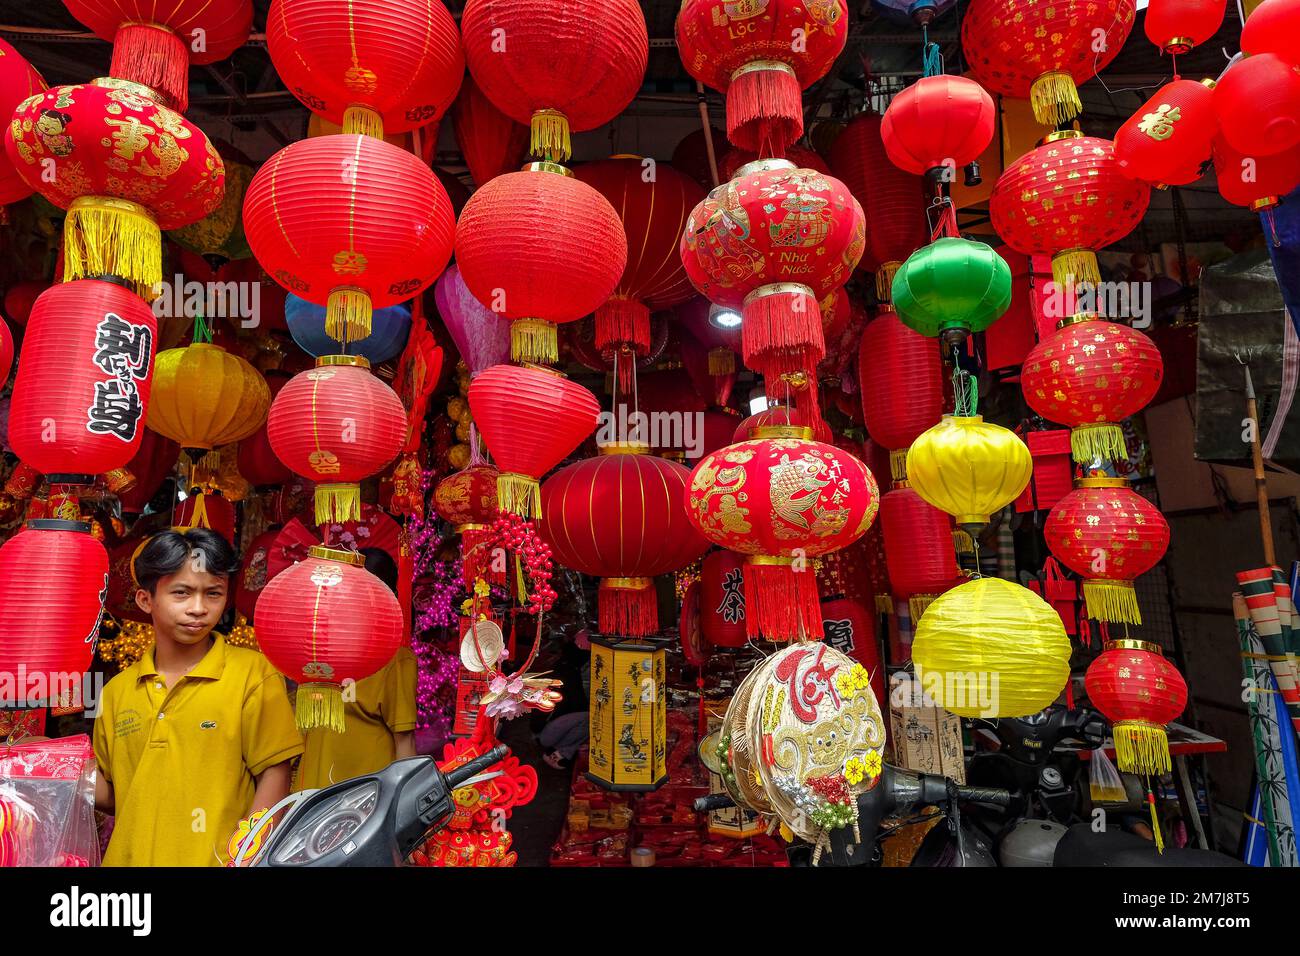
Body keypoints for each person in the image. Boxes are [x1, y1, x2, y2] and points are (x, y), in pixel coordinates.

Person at [92, 528, 303, 866]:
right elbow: (118, 793)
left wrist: (246, 858)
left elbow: (274, 775)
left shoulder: (252, 673)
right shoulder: (118, 691)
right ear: (146, 599)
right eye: (182, 593)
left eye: (213, 594)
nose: (198, 608)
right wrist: (62, 769)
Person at [292, 548, 417, 792]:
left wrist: (405, 807)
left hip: (363, 800)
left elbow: (405, 743)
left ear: (387, 598)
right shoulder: (317, 650)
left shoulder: (395, 661)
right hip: (309, 796)